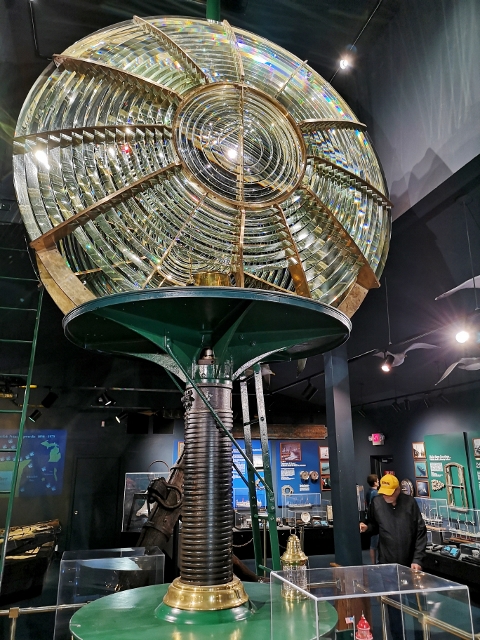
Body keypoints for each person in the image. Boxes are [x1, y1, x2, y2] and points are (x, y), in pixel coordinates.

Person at [360, 474, 426, 569]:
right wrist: (367, 528)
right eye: (384, 493)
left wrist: (417, 559)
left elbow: (420, 531)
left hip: (408, 560)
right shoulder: (376, 502)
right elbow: (374, 526)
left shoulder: (410, 503)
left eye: (389, 493)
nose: (386, 496)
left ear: (398, 490)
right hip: (386, 560)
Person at [365, 474, 379, 564]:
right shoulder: (375, 493)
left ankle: (373, 563)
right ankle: (374, 563)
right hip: (375, 519)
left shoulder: (368, 492)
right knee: (373, 544)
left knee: (373, 543)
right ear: (375, 483)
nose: (379, 482)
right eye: (377, 480)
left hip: (370, 519)